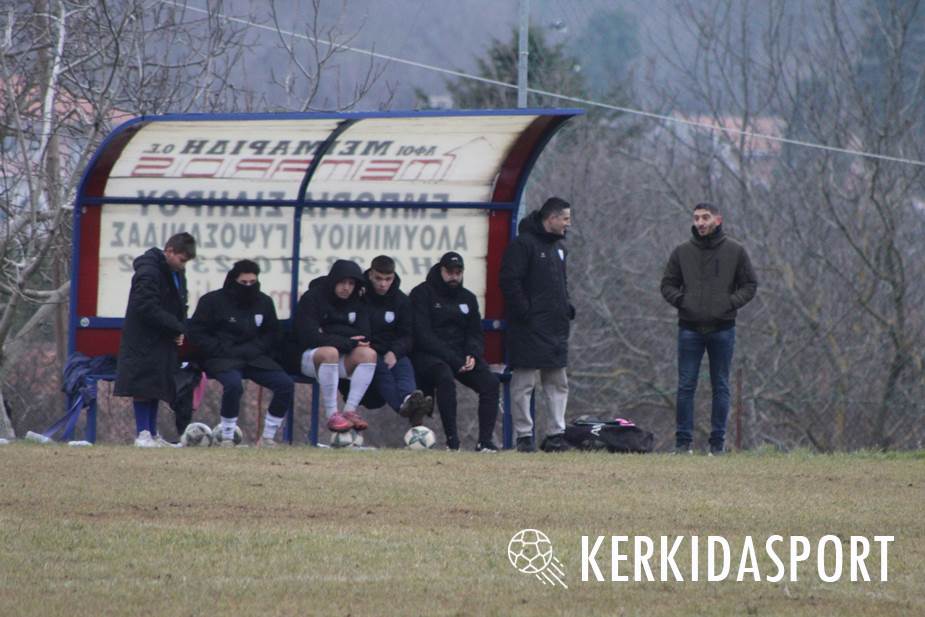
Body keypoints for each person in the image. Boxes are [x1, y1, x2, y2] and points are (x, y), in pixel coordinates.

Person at [660, 202, 758, 455]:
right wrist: (683, 302)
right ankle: (683, 444)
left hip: (723, 329)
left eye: (705, 217)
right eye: (696, 218)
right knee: (685, 386)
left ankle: (717, 444)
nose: (700, 222)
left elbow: (750, 284)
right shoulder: (682, 252)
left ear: (718, 220)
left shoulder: (735, 251)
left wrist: (730, 303)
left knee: (721, 386)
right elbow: (667, 285)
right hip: (689, 329)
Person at [188, 260, 294, 447]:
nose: (248, 286)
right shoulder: (212, 301)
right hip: (221, 357)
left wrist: (256, 348)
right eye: (243, 282)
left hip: (254, 357)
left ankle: (268, 437)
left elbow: (272, 333)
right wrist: (219, 348)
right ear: (233, 280)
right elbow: (197, 332)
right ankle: (227, 436)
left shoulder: (264, 302)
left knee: (285, 384)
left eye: (252, 282)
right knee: (233, 385)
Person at [500, 197, 575, 453]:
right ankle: (524, 436)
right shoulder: (523, 245)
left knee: (557, 382)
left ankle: (556, 434)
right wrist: (525, 312)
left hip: (555, 327)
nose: (568, 223)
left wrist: (567, 306)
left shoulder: (559, 248)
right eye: (565, 218)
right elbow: (509, 280)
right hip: (528, 328)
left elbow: (561, 283)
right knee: (524, 383)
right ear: (551, 218)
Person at [410, 252, 500, 451]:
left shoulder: (468, 298)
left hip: (461, 355)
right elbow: (423, 336)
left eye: (458, 272)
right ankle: (452, 442)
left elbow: (475, 333)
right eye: (449, 272)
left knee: (491, 383)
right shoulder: (422, 293)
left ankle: (485, 442)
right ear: (440, 270)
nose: (454, 276)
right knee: (445, 377)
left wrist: (472, 354)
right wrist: (453, 359)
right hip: (430, 354)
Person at [114, 232, 196, 447]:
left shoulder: (176, 272)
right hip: (144, 340)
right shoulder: (148, 271)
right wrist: (175, 326)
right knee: (143, 385)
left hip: (162, 338)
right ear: (169, 251)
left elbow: (180, 303)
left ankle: (152, 433)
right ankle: (143, 434)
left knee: (155, 386)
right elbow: (145, 306)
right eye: (181, 260)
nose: (183, 265)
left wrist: (179, 329)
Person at [293, 259, 377, 433]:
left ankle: (349, 411)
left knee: (368, 354)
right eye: (342, 282)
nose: (346, 288)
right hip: (310, 358)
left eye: (351, 283)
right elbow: (310, 337)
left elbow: (364, 336)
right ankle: (332, 414)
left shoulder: (358, 301)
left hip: (341, 357)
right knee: (330, 352)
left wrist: (327, 331)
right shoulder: (312, 298)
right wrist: (346, 339)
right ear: (333, 280)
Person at [364, 255, 432, 425]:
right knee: (381, 370)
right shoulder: (360, 295)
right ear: (371, 274)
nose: (383, 284)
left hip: (391, 350)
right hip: (366, 350)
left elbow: (407, 334)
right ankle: (405, 407)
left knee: (404, 364)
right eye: (378, 278)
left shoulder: (401, 300)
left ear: (393, 277)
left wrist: (395, 352)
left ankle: (410, 399)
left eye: (388, 279)